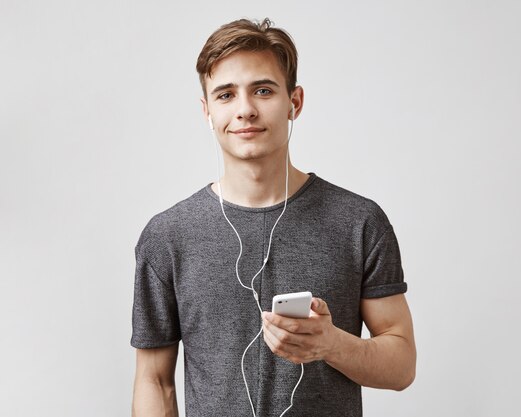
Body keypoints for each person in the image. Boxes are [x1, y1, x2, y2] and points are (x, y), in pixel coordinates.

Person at [131, 18, 416, 417]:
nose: (245, 110)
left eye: (262, 90)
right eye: (226, 95)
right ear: (208, 111)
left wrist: (331, 344)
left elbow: (402, 365)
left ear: (294, 102)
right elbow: (154, 380)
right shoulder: (167, 236)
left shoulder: (359, 222)